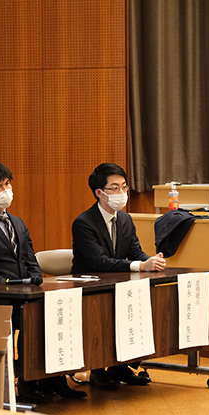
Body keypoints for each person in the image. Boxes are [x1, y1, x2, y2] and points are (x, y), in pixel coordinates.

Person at [0, 159, 85, 401]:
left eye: (8, 184)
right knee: (31, 316)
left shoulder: (17, 222)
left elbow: (30, 257)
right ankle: (27, 382)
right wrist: (15, 286)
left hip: (26, 293)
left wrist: (35, 276)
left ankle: (53, 377)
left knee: (56, 310)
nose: (6, 191)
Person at [72, 162, 166, 389]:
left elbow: (135, 252)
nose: (122, 192)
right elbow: (99, 262)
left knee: (143, 305)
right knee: (102, 311)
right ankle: (97, 370)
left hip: (119, 284)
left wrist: (152, 261)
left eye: (124, 186)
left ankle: (122, 367)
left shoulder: (125, 219)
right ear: (99, 192)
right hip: (89, 287)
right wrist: (140, 266)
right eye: (114, 188)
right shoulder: (83, 222)